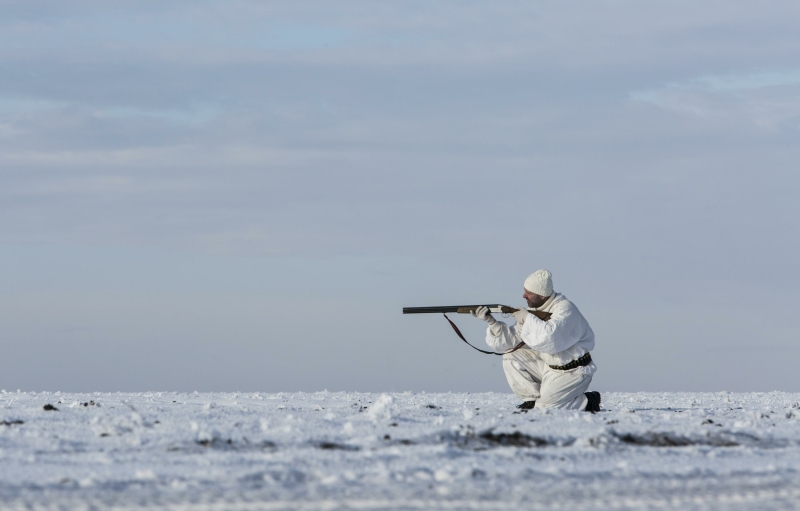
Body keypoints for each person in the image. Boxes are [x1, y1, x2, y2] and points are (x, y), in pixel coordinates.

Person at [471, 269, 600, 412]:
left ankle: (588, 401)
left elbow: (550, 339)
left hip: (573, 372)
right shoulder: (533, 311)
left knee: (546, 408)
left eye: (529, 293)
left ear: (543, 295)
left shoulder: (564, 309)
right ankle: (531, 399)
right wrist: (492, 322)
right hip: (548, 367)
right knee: (510, 355)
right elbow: (512, 340)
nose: (524, 295)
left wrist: (527, 318)